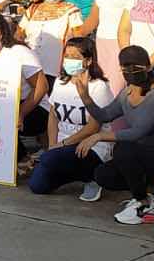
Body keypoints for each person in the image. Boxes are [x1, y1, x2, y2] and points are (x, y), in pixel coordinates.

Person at [73, 45, 154, 223]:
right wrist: (85, 95)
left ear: (148, 67)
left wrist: (98, 136)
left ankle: (142, 202)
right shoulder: (126, 93)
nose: (130, 71)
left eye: (135, 67)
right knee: (103, 174)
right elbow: (104, 116)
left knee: (124, 148)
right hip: (145, 158)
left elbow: (137, 132)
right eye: (125, 67)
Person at [26, 36, 118, 200]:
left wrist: (61, 145)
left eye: (75, 57)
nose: (69, 60)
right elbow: (53, 115)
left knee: (49, 158)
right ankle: (71, 173)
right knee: (38, 185)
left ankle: (92, 177)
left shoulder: (99, 87)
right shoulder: (60, 81)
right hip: (62, 147)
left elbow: (93, 127)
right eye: (67, 56)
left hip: (89, 147)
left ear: (88, 60)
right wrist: (53, 144)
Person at [0, 9, 48, 154]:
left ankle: (21, 158)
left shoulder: (19, 52)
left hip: (32, 105)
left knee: (1, 120)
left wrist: (21, 112)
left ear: (2, 32)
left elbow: (41, 87)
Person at [20, 0, 84, 80]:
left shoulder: (72, 10)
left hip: (56, 70)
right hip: (30, 70)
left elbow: (79, 39)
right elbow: (19, 34)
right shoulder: (32, 9)